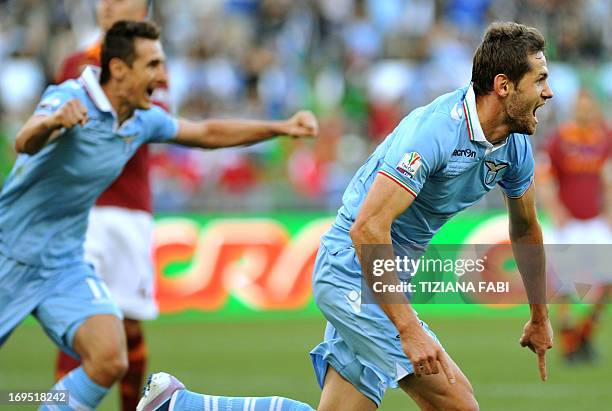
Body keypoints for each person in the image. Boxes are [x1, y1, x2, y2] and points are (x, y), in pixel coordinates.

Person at [137, 21, 554, 411]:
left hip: (389, 274)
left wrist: (538, 316)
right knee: (459, 403)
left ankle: (179, 404)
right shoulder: (435, 131)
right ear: (503, 86)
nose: (548, 92)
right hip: (353, 270)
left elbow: (525, 228)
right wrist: (407, 327)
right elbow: (367, 226)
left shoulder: (514, 146)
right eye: (540, 79)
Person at [0, 20, 317, 411]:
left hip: (62, 263)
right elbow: (25, 139)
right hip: (7, 254)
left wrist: (280, 127)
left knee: (108, 358)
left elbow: (207, 134)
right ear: (118, 69)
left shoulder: (140, 119)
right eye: (152, 64)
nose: (162, 75)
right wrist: (52, 122)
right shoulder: (72, 97)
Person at [53, 1, 168, 409]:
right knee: (79, 323)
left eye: (120, 0)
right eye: (103, 0)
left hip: (129, 210)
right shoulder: (73, 63)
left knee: (129, 324)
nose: (108, 7)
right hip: (81, 209)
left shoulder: (151, 61)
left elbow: (159, 119)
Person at [537, 88, 612, 363]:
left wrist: (609, 212)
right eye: (580, 106)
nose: (585, 111)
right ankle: (570, 341)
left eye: (588, 106)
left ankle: (585, 332)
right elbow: (545, 176)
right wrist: (555, 210)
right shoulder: (559, 139)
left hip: (596, 222)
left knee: (606, 282)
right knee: (565, 285)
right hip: (568, 224)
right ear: (574, 109)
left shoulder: (604, 137)